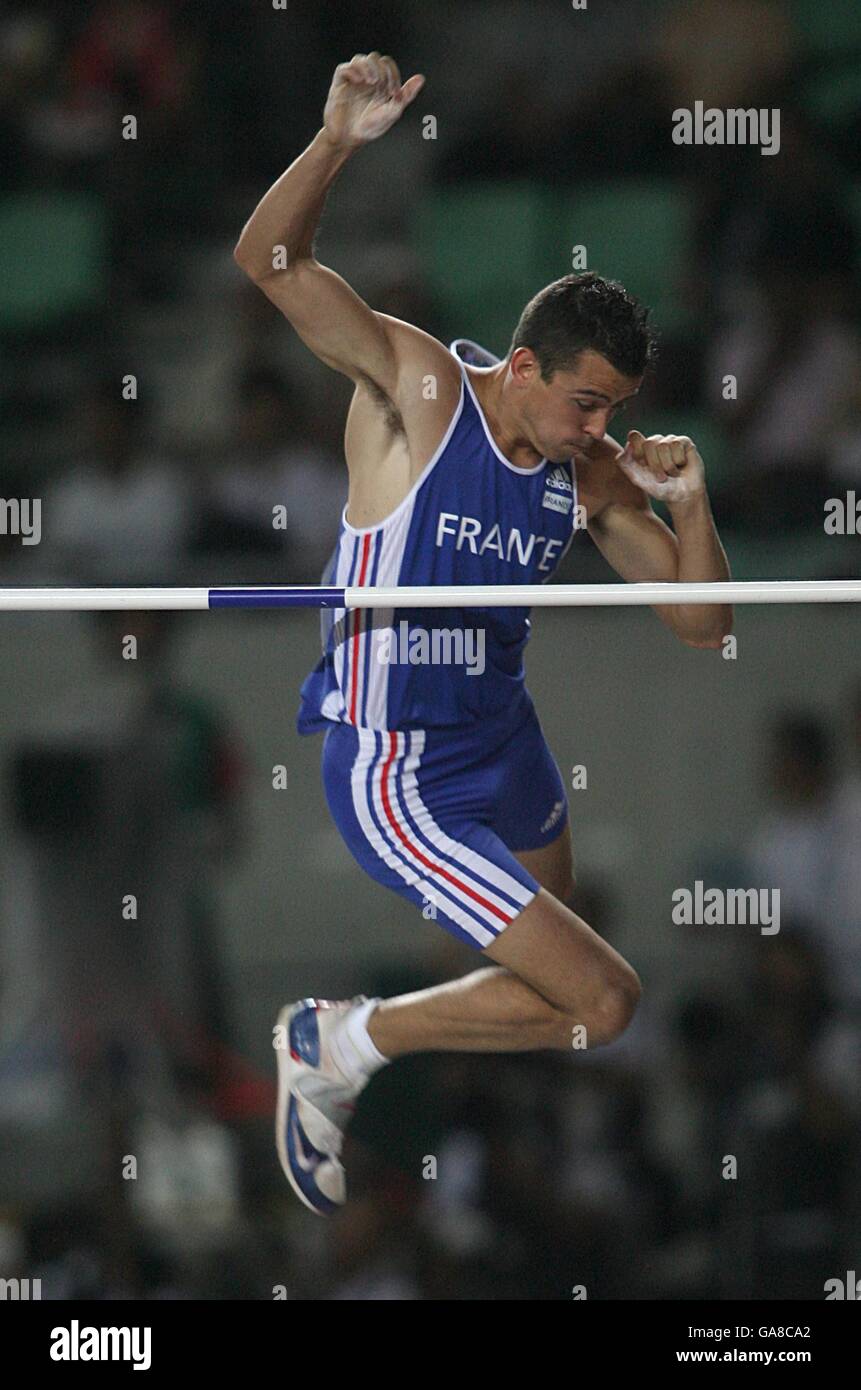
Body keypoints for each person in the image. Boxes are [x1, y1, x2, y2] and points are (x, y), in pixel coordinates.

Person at [233, 52, 733, 1215]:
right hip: (397, 760)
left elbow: (705, 624)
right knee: (603, 1003)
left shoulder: (586, 471)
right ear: (522, 368)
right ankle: (339, 1040)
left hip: (502, 737)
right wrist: (339, 144)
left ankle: (370, 1045)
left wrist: (691, 503)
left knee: (563, 1002)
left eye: (615, 407)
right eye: (588, 403)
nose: (604, 428)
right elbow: (268, 264)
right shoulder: (416, 388)